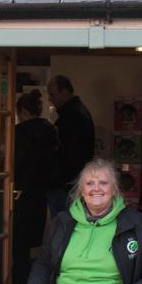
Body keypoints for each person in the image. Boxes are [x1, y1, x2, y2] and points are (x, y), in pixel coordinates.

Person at [12, 90, 59, 284]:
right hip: (42, 197)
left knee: (18, 250)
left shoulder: (19, 134)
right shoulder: (52, 132)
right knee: (40, 249)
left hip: (20, 196)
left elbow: (16, 165)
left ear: (23, 111)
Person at [45, 75, 95, 216]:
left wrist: (55, 179)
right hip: (72, 182)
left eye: (52, 94)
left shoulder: (72, 116)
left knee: (64, 228)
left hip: (65, 185)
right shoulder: (78, 112)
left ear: (65, 92)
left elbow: (66, 154)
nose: (50, 99)